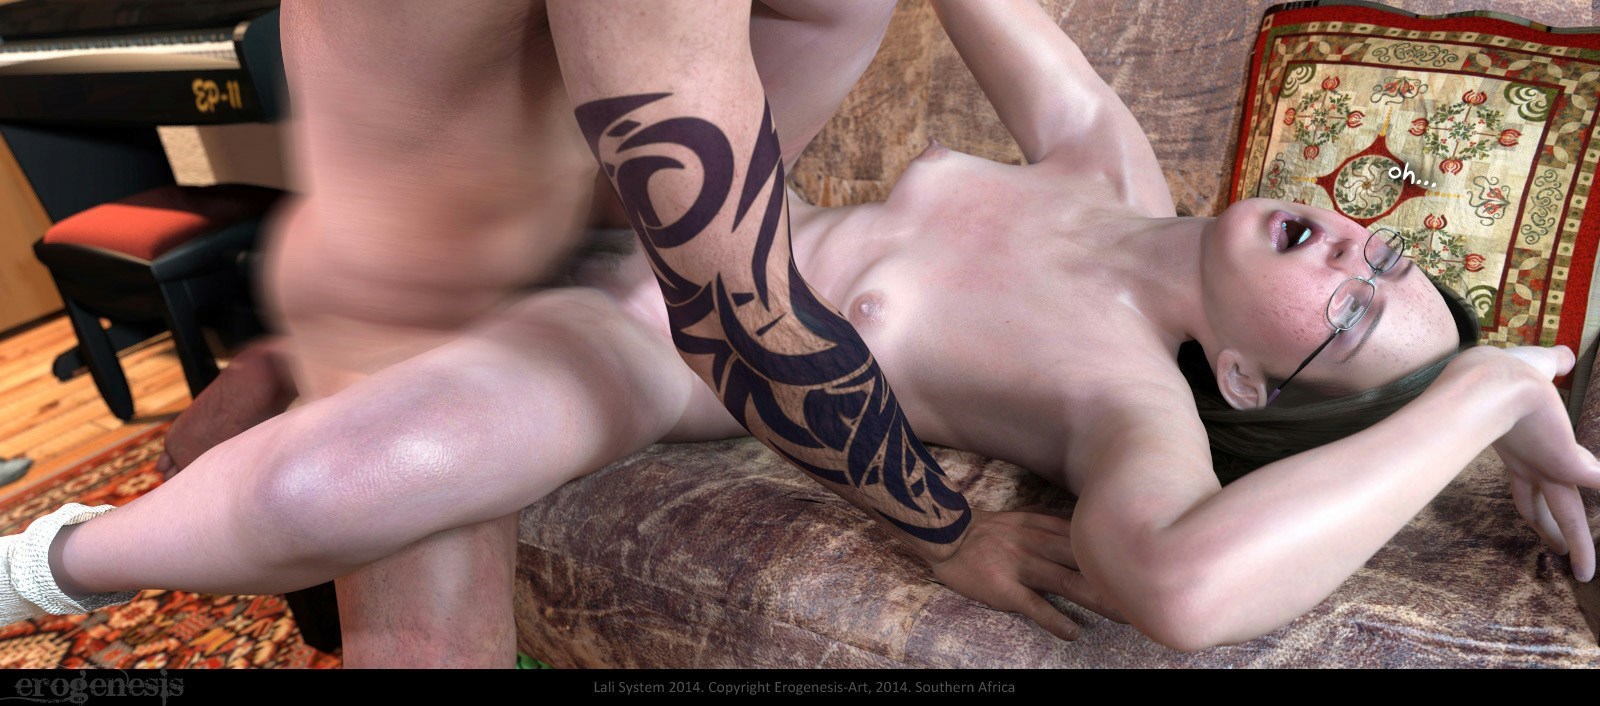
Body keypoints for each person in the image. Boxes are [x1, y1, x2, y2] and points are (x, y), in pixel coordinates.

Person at [0, 0, 1593, 660]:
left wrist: (1487, 392)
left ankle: (45, 564)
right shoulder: (1110, 168)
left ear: (1240, 376)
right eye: (1392, 256)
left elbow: (1185, 586)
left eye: (1354, 312)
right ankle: (340, 319)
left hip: (647, 350)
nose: (1363, 250)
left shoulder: (1135, 402)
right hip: (640, 205)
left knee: (342, 481)